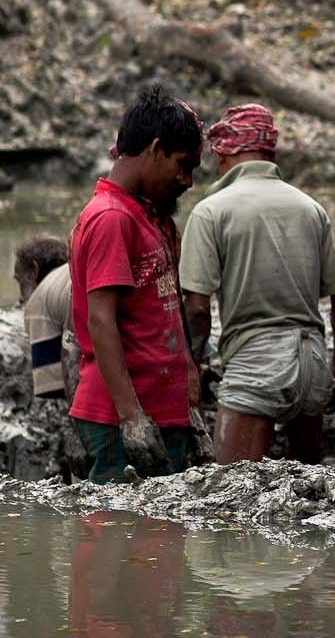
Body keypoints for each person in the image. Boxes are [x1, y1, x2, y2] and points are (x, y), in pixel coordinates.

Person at [180, 105, 335, 466]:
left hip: (256, 366)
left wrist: (192, 368)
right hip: (312, 361)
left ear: (224, 153)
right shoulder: (310, 208)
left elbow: (197, 309)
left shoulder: (211, 211)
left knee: (229, 493)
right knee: (306, 496)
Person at [68, 87, 202, 483]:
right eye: (183, 166)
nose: (187, 181)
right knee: (118, 533)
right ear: (155, 149)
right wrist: (132, 419)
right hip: (124, 416)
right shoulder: (111, 218)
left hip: (158, 409)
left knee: (160, 540)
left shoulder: (149, 217)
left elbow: (163, 310)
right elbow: (100, 321)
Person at [16, 236, 73, 401]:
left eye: (20, 280)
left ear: (34, 271)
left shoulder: (39, 299)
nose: (20, 298)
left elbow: (51, 388)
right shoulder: (76, 271)